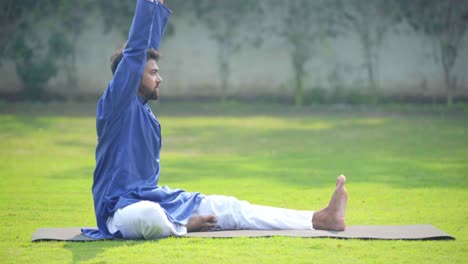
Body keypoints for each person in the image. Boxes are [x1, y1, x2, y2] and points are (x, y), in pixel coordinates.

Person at [82, 0, 348, 240]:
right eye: (153, 72)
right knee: (148, 215)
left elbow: (145, 49)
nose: (160, 77)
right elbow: (136, 51)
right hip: (119, 211)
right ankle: (182, 225)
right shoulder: (116, 104)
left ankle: (319, 218)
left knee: (232, 208)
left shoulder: (145, 115)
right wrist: (147, 4)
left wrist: (157, 8)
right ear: (130, 77)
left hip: (159, 200)